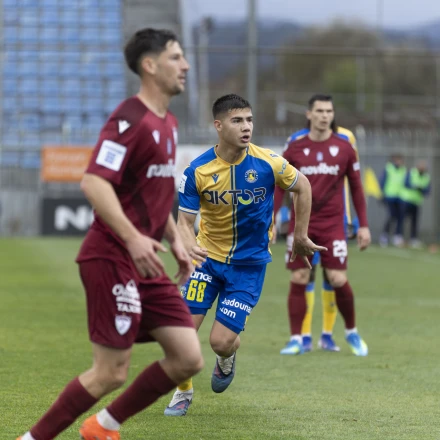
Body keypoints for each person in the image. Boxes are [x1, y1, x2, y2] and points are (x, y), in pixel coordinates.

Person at [17, 28, 204, 440]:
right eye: (175, 57)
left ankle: (103, 426)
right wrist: (134, 238)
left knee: (188, 357)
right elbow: (94, 182)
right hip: (112, 256)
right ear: (149, 65)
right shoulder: (129, 119)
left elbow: (153, 189)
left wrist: (174, 237)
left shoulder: (169, 122)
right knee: (110, 372)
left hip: (146, 261)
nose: (186, 65)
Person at [163, 93, 325, 416]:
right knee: (179, 333)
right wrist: (188, 244)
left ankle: (227, 357)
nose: (246, 126)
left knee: (220, 341)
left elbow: (303, 186)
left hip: (248, 267)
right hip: (206, 261)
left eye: (249, 120)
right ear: (218, 126)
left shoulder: (268, 162)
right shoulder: (197, 171)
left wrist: (300, 234)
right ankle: (183, 391)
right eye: (237, 121)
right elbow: (183, 223)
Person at [274, 94, 371, 357]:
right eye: (319, 111)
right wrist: (272, 218)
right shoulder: (295, 146)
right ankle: (296, 339)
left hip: (332, 224)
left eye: (329, 111)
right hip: (301, 224)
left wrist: (363, 225)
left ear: (333, 114)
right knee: (300, 276)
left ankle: (351, 331)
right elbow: (279, 185)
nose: (324, 115)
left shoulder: (344, 147)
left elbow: (357, 187)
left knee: (337, 278)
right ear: (309, 114)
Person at [400, 160, 431, 248]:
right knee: (402, 220)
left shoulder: (426, 177)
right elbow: (406, 183)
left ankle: (413, 239)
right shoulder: (412, 173)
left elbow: (428, 191)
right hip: (406, 200)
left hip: (416, 202)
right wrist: (414, 187)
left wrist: (421, 189)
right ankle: (399, 237)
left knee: (415, 222)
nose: (422, 168)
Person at [379, 154, 406, 247]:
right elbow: (382, 182)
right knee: (391, 216)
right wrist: (381, 194)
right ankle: (385, 235)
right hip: (390, 196)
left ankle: (397, 236)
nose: (399, 162)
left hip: (400, 197)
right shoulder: (388, 169)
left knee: (400, 217)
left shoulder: (403, 170)